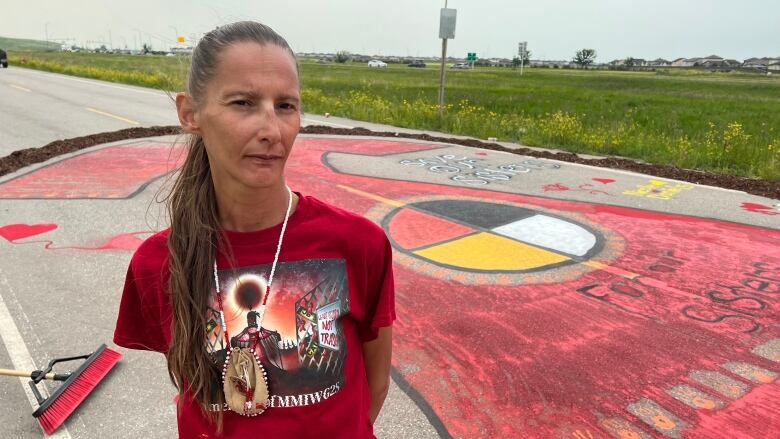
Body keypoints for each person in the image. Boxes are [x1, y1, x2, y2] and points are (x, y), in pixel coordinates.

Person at [113, 21, 395, 438]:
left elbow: (375, 384)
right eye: (243, 103)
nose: (271, 130)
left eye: (285, 106)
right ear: (190, 113)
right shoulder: (157, 263)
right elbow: (195, 389)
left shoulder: (358, 243)